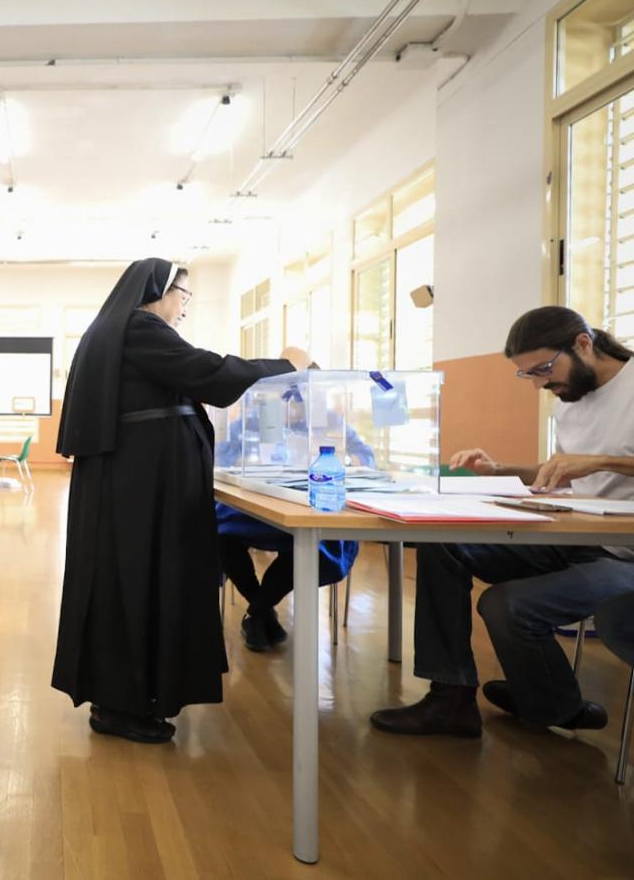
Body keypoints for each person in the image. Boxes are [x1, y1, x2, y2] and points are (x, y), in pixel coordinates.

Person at [51, 258, 301, 743]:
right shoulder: (141, 327)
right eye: (183, 296)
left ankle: (128, 697)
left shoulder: (120, 328)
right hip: (142, 487)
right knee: (141, 584)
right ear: (157, 290)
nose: (184, 309)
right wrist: (286, 367)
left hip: (137, 484)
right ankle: (122, 705)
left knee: (134, 585)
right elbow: (206, 370)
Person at [371, 306, 634, 737]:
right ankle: (451, 698)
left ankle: (554, 702)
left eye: (543, 369)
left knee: (506, 604)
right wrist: (499, 471)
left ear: (583, 344)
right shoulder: (569, 398)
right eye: (527, 375)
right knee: (441, 542)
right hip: (578, 536)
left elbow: (589, 465)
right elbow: (563, 472)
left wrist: (602, 461)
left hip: (624, 554)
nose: (540, 383)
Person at [214, 389, 376, 651]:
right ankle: (261, 611)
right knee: (220, 533)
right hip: (262, 504)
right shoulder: (256, 418)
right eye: (288, 393)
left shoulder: (329, 420)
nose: (294, 400)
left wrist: (338, 458)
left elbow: (367, 456)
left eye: (301, 394)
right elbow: (220, 455)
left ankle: (257, 612)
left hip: (315, 506)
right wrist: (245, 459)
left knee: (314, 545)